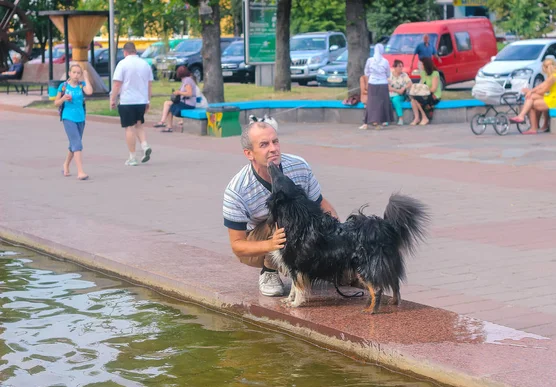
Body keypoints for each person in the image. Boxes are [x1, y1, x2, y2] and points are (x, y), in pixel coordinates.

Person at [223, 120, 338, 297]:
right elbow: (238, 246)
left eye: (275, 141)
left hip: (301, 232)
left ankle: (310, 267)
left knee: (343, 273)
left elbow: (320, 204)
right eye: (264, 145)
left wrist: (337, 236)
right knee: (281, 214)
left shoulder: (299, 166)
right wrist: (270, 245)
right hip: (261, 240)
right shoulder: (237, 190)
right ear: (249, 153)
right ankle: (270, 270)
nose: (273, 148)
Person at [110, 42, 154, 166]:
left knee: (129, 128)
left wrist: (113, 99)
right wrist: (148, 100)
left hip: (127, 101)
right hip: (141, 100)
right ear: (135, 51)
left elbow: (117, 84)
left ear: (125, 52)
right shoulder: (145, 64)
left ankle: (132, 157)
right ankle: (145, 146)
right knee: (139, 125)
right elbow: (149, 84)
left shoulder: (122, 64)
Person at [54, 64, 93, 180]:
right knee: (77, 143)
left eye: (78, 73)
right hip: (68, 117)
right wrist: (63, 98)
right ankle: (80, 171)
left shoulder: (82, 85)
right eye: (74, 72)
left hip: (80, 117)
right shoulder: (64, 86)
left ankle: (66, 164)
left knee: (74, 144)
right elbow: (56, 103)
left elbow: (90, 92)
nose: (76, 75)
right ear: (69, 73)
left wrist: (86, 77)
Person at [509, 58, 556, 135]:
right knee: (531, 97)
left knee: (531, 104)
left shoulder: (553, 77)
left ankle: (530, 125)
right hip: (554, 98)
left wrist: (528, 91)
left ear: (544, 67)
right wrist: (531, 91)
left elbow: (542, 91)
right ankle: (522, 117)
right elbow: (541, 85)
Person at [359, 43, 393, 130]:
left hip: (372, 84)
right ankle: (380, 122)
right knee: (382, 103)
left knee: (371, 103)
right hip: (383, 84)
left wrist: (373, 75)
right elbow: (388, 74)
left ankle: (366, 122)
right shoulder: (385, 61)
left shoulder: (370, 60)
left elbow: (366, 72)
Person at [153, 66, 197, 133]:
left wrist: (179, 92)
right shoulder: (185, 80)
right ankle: (164, 123)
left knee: (170, 107)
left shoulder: (187, 80)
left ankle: (167, 125)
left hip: (188, 104)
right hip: (185, 102)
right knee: (167, 104)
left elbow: (189, 93)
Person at [409, 57, 442, 126]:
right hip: (425, 93)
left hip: (434, 95)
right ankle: (417, 118)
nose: (421, 66)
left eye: (422, 65)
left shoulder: (435, 74)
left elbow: (433, 89)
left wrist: (423, 91)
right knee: (413, 99)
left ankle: (424, 117)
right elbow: (421, 84)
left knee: (417, 99)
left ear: (426, 65)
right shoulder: (423, 73)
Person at [388, 60, 412, 125]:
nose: (401, 68)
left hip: (401, 94)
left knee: (395, 99)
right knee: (386, 100)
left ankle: (400, 118)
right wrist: (396, 90)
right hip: (391, 93)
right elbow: (388, 87)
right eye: (399, 66)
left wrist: (404, 88)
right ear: (395, 67)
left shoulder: (404, 75)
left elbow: (410, 83)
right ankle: (386, 119)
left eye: (402, 66)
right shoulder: (390, 75)